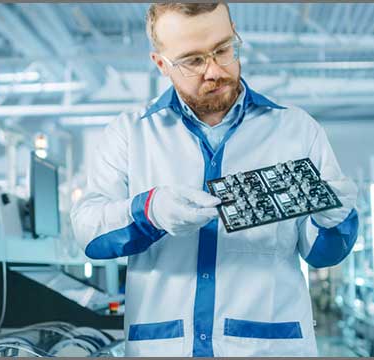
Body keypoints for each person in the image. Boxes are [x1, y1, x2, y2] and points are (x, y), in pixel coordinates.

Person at [71, 3, 358, 357]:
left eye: (223, 49)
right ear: (162, 64)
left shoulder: (297, 130)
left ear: (235, 34)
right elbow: (88, 231)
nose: (214, 71)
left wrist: (334, 220)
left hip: (269, 347)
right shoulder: (130, 135)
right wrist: (149, 210)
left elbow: (321, 254)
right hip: (163, 348)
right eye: (192, 61)